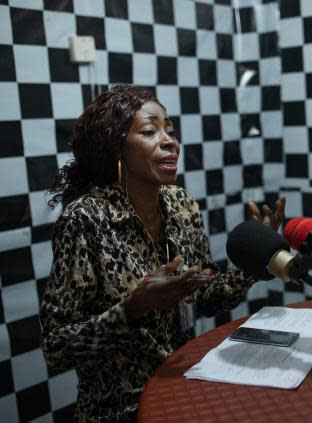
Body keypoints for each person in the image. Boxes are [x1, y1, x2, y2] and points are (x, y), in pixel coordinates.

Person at [40, 84, 285, 422]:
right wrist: (133, 308)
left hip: (184, 392)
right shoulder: (85, 220)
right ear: (116, 148)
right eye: (150, 131)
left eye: (169, 130)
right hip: (119, 410)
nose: (170, 141)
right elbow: (56, 348)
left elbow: (206, 298)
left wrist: (259, 259)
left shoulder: (182, 205)